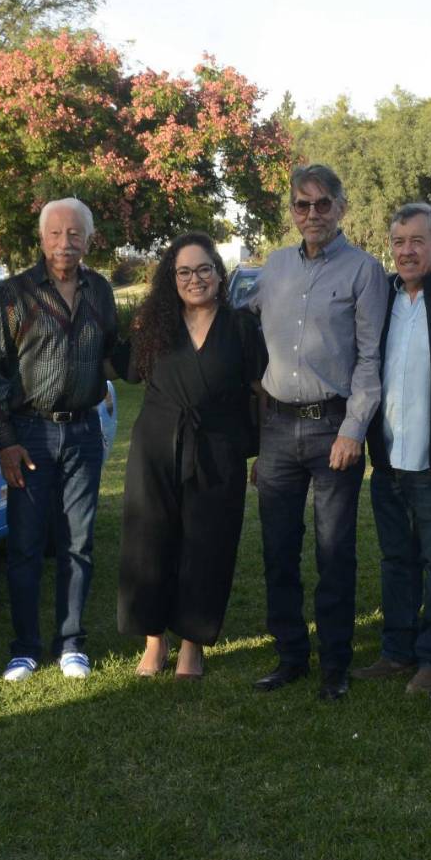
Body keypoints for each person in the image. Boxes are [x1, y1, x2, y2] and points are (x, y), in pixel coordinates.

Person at [245, 164, 387, 701]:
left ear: (341, 207)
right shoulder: (274, 268)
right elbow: (241, 326)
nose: (311, 215)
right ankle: (289, 657)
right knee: (278, 550)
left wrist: (354, 429)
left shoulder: (363, 271)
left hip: (334, 429)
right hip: (277, 428)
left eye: (322, 204)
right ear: (291, 212)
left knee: (334, 552)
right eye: (301, 205)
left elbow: (371, 359)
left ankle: (335, 664)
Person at [113, 232, 266, 678]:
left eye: (203, 270)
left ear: (219, 274)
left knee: (208, 544)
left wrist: (259, 452)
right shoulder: (156, 324)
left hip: (218, 449)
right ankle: (153, 641)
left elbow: (260, 393)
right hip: (156, 444)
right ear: (171, 278)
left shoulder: (242, 327)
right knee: (149, 541)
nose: (195, 279)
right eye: (184, 272)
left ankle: (192, 645)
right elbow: (127, 371)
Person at [0, 198, 120, 683]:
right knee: (25, 544)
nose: (66, 243)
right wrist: (5, 442)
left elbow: (116, 356)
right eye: (56, 234)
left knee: (78, 542)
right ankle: (24, 648)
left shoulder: (100, 291)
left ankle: (71, 644)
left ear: (89, 239)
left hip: (84, 431)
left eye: (75, 234)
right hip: (30, 435)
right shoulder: (15, 293)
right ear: (42, 239)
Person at [354, 203, 431, 695]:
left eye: (417, 241)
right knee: (396, 560)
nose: (407, 251)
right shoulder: (385, 298)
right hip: (388, 458)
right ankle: (397, 652)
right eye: (399, 242)